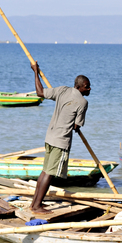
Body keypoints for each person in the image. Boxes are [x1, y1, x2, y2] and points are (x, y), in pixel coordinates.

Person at [28, 61, 90, 216]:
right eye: (87, 86)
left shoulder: (62, 90)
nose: (89, 89)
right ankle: (37, 206)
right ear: (79, 87)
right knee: (50, 173)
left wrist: (36, 72)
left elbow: (40, 92)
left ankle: (34, 203)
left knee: (44, 171)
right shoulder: (83, 102)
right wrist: (76, 126)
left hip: (50, 137)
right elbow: (77, 126)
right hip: (61, 141)